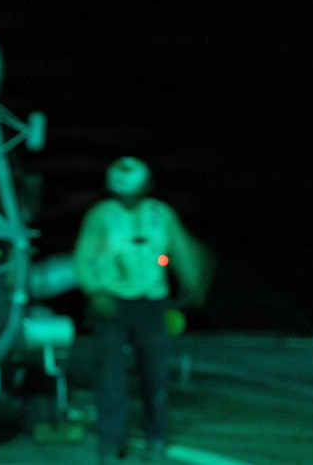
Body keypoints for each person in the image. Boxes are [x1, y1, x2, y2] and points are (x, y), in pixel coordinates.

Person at [73, 156, 210, 464]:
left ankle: (156, 436)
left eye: (134, 193)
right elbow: (84, 257)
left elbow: (180, 249)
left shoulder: (161, 215)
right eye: (122, 194)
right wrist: (95, 292)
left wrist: (191, 283)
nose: (128, 200)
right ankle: (110, 443)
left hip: (151, 303)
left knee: (155, 374)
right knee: (110, 376)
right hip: (112, 303)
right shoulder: (102, 216)